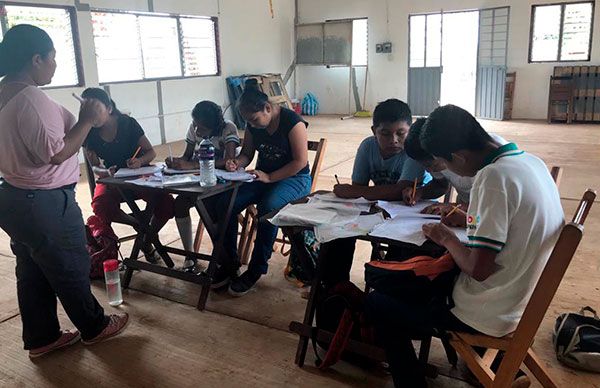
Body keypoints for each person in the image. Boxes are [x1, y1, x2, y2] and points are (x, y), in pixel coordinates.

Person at [365, 105, 564, 387]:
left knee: (379, 300)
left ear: (458, 156)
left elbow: (477, 269)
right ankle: (490, 368)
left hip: (489, 311)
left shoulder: (492, 178)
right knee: (420, 276)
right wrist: (468, 220)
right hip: (522, 300)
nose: (445, 170)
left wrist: (445, 237)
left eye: (444, 163)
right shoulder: (531, 162)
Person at [0, 25, 128, 358]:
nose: (55, 65)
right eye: (53, 58)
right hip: (43, 201)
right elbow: (54, 152)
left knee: (33, 269)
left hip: (15, 196)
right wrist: (86, 120)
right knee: (69, 265)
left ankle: (42, 337)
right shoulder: (29, 97)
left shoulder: (5, 92)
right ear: (36, 58)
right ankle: (95, 326)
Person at [215, 79, 312, 296]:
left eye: (255, 119)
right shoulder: (254, 125)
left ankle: (256, 269)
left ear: (268, 108)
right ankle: (229, 262)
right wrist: (236, 163)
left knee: (268, 208)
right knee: (226, 203)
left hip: (294, 178)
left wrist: (270, 177)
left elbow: (299, 162)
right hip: (261, 176)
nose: (253, 124)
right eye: (249, 121)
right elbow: (247, 154)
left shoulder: (292, 122)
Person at [82, 87, 174, 263]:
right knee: (101, 205)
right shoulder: (88, 131)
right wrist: (105, 172)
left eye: (96, 110)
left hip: (139, 175)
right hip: (113, 179)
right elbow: (95, 168)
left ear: (109, 108)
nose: (92, 116)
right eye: (87, 111)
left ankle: (147, 240)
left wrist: (139, 161)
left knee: (166, 203)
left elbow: (150, 152)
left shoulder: (127, 123)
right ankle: (140, 225)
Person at [167, 101, 240, 271]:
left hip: (223, 183)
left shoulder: (228, 128)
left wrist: (191, 165)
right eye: (195, 125)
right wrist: (176, 162)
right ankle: (189, 255)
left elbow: (229, 160)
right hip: (198, 181)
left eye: (202, 128)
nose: (197, 130)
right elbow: (186, 156)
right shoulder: (194, 127)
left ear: (214, 126)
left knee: (211, 206)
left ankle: (224, 258)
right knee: (180, 204)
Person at [403, 118, 508, 227]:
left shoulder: (494, 167)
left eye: (431, 165)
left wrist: (460, 212)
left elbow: (495, 220)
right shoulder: (440, 153)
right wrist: (421, 192)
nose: (430, 170)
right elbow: (441, 185)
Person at [333, 98, 429, 201]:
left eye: (401, 133)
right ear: (374, 131)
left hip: (418, 207)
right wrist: (355, 191)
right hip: (385, 207)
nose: (393, 140)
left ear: (410, 130)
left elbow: (400, 192)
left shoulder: (413, 150)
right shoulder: (367, 147)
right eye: (385, 134)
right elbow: (358, 185)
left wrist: (352, 191)